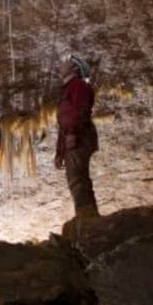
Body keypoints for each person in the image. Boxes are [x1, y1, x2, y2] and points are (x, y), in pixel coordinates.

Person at [54, 54, 99, 219]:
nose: (62, 63)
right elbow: (62, 124)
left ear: (74, 68)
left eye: (66, 62)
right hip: (71, 136)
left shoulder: (79, 86)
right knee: (74, 178)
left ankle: (87, 217)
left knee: (78, 178)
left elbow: (80, 111)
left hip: (80, 135)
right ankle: (85, 215)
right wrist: (59, 153)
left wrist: (73, 133)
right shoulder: (67, 89)